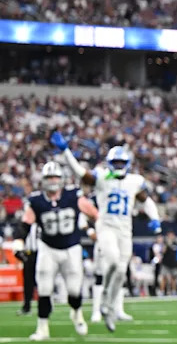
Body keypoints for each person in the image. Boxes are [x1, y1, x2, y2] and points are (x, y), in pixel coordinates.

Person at [50, 139, 162, 331]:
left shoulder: (134, 181)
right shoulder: (102, 177)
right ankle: (104, 301)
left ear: (126, 164)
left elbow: (147, 201)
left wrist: (155, 218)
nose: (118, 166)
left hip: (125, 231)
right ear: (110, 163)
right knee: (111, 260)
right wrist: (66, 151)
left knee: (120, 270)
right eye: (116, 163)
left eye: (121, 163)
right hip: (106, 227)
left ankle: (109, 308)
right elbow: (80, 172)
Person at [19, 162, 98, 340]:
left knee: (74, 290)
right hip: (48, 247)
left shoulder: (73, 196)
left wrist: (97, 230)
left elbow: (94, 214)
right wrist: (18, 242)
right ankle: (42, 328)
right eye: (49, 177)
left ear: (61, 179)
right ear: (43, 180)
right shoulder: (36, 201)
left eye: (55, 177)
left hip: (71, 248)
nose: (53, 181)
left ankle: (77, 313)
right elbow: (25, 225)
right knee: (44, 288)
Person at [14, 220, 38, 316]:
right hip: (29, 254)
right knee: (28, 282)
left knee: (44, 280)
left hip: (42, 253)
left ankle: (47, 305)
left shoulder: (42, 221)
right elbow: (19, 237)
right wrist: (19, 252)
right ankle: (27, 307)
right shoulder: (26, 225)